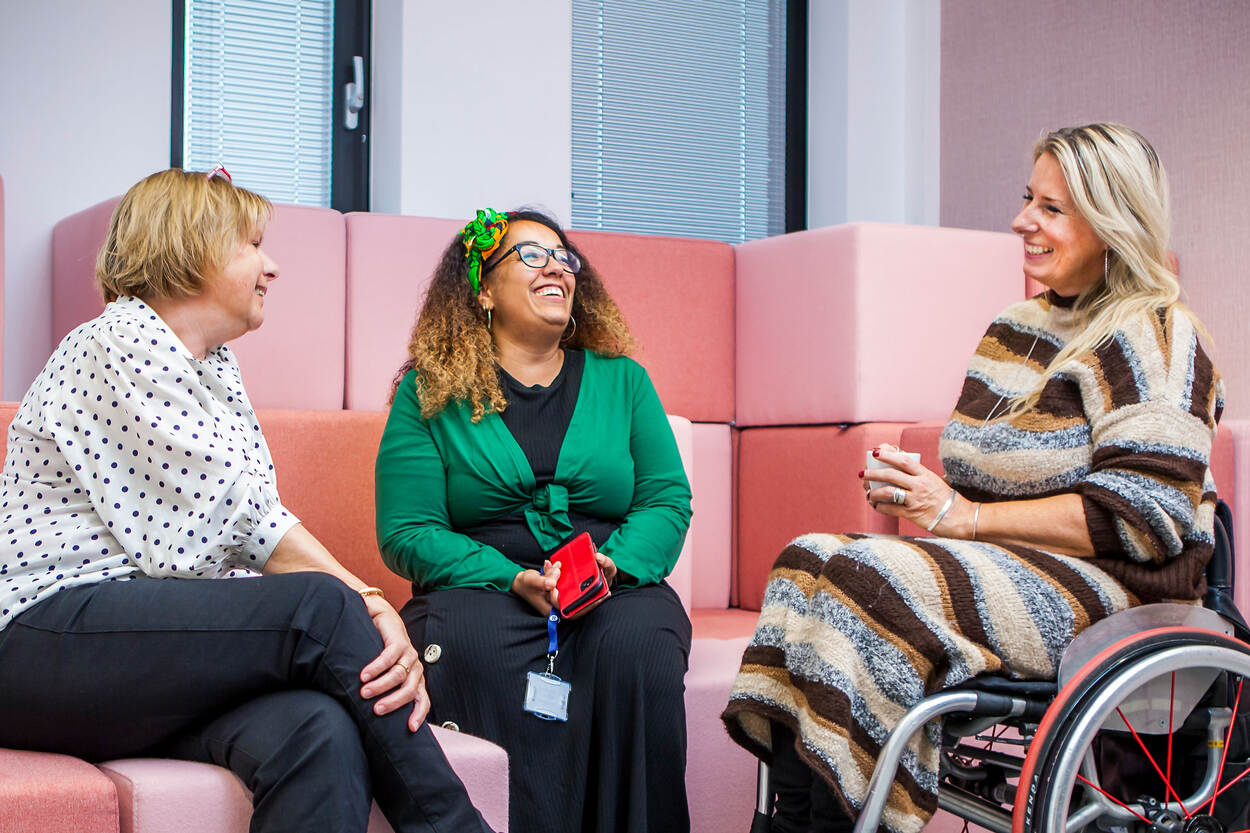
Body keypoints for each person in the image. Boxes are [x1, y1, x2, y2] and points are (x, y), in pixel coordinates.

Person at [722, 123, 1224, 833]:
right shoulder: (1015, 327)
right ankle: (795, 818)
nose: (1023, 220)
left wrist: (962, 516)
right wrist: (925, 492)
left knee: (871, 583)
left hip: (1118, 588)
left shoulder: (1158, 335)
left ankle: (840, 816)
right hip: (1008, 560)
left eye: (1051, 208)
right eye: (1029, 198)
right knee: (804, 560)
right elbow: (987, 473)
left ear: (1112, 221)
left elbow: (1147, 516)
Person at [0, 168, 492, 833]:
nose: (273, 266)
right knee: (322, 607)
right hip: (40, 642)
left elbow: (245, 537)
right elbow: (248, 523)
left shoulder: (214, 368)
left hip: (140, 656)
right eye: (251, 245)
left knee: (316, 732)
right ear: (191, 247)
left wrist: (356, 606)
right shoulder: (117, 341)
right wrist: (371, 603)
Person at [374, 207, 693, 833]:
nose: (555, 265)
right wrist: (510, 578)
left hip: (612, 583)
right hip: (481, 586)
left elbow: (666, 500)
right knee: (468, 646)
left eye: (563, 256)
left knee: (640, 649)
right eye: (529, 254)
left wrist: (616, 564)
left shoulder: (624, 381)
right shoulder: (430, 391)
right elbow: (407, 531)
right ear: (484, 289)